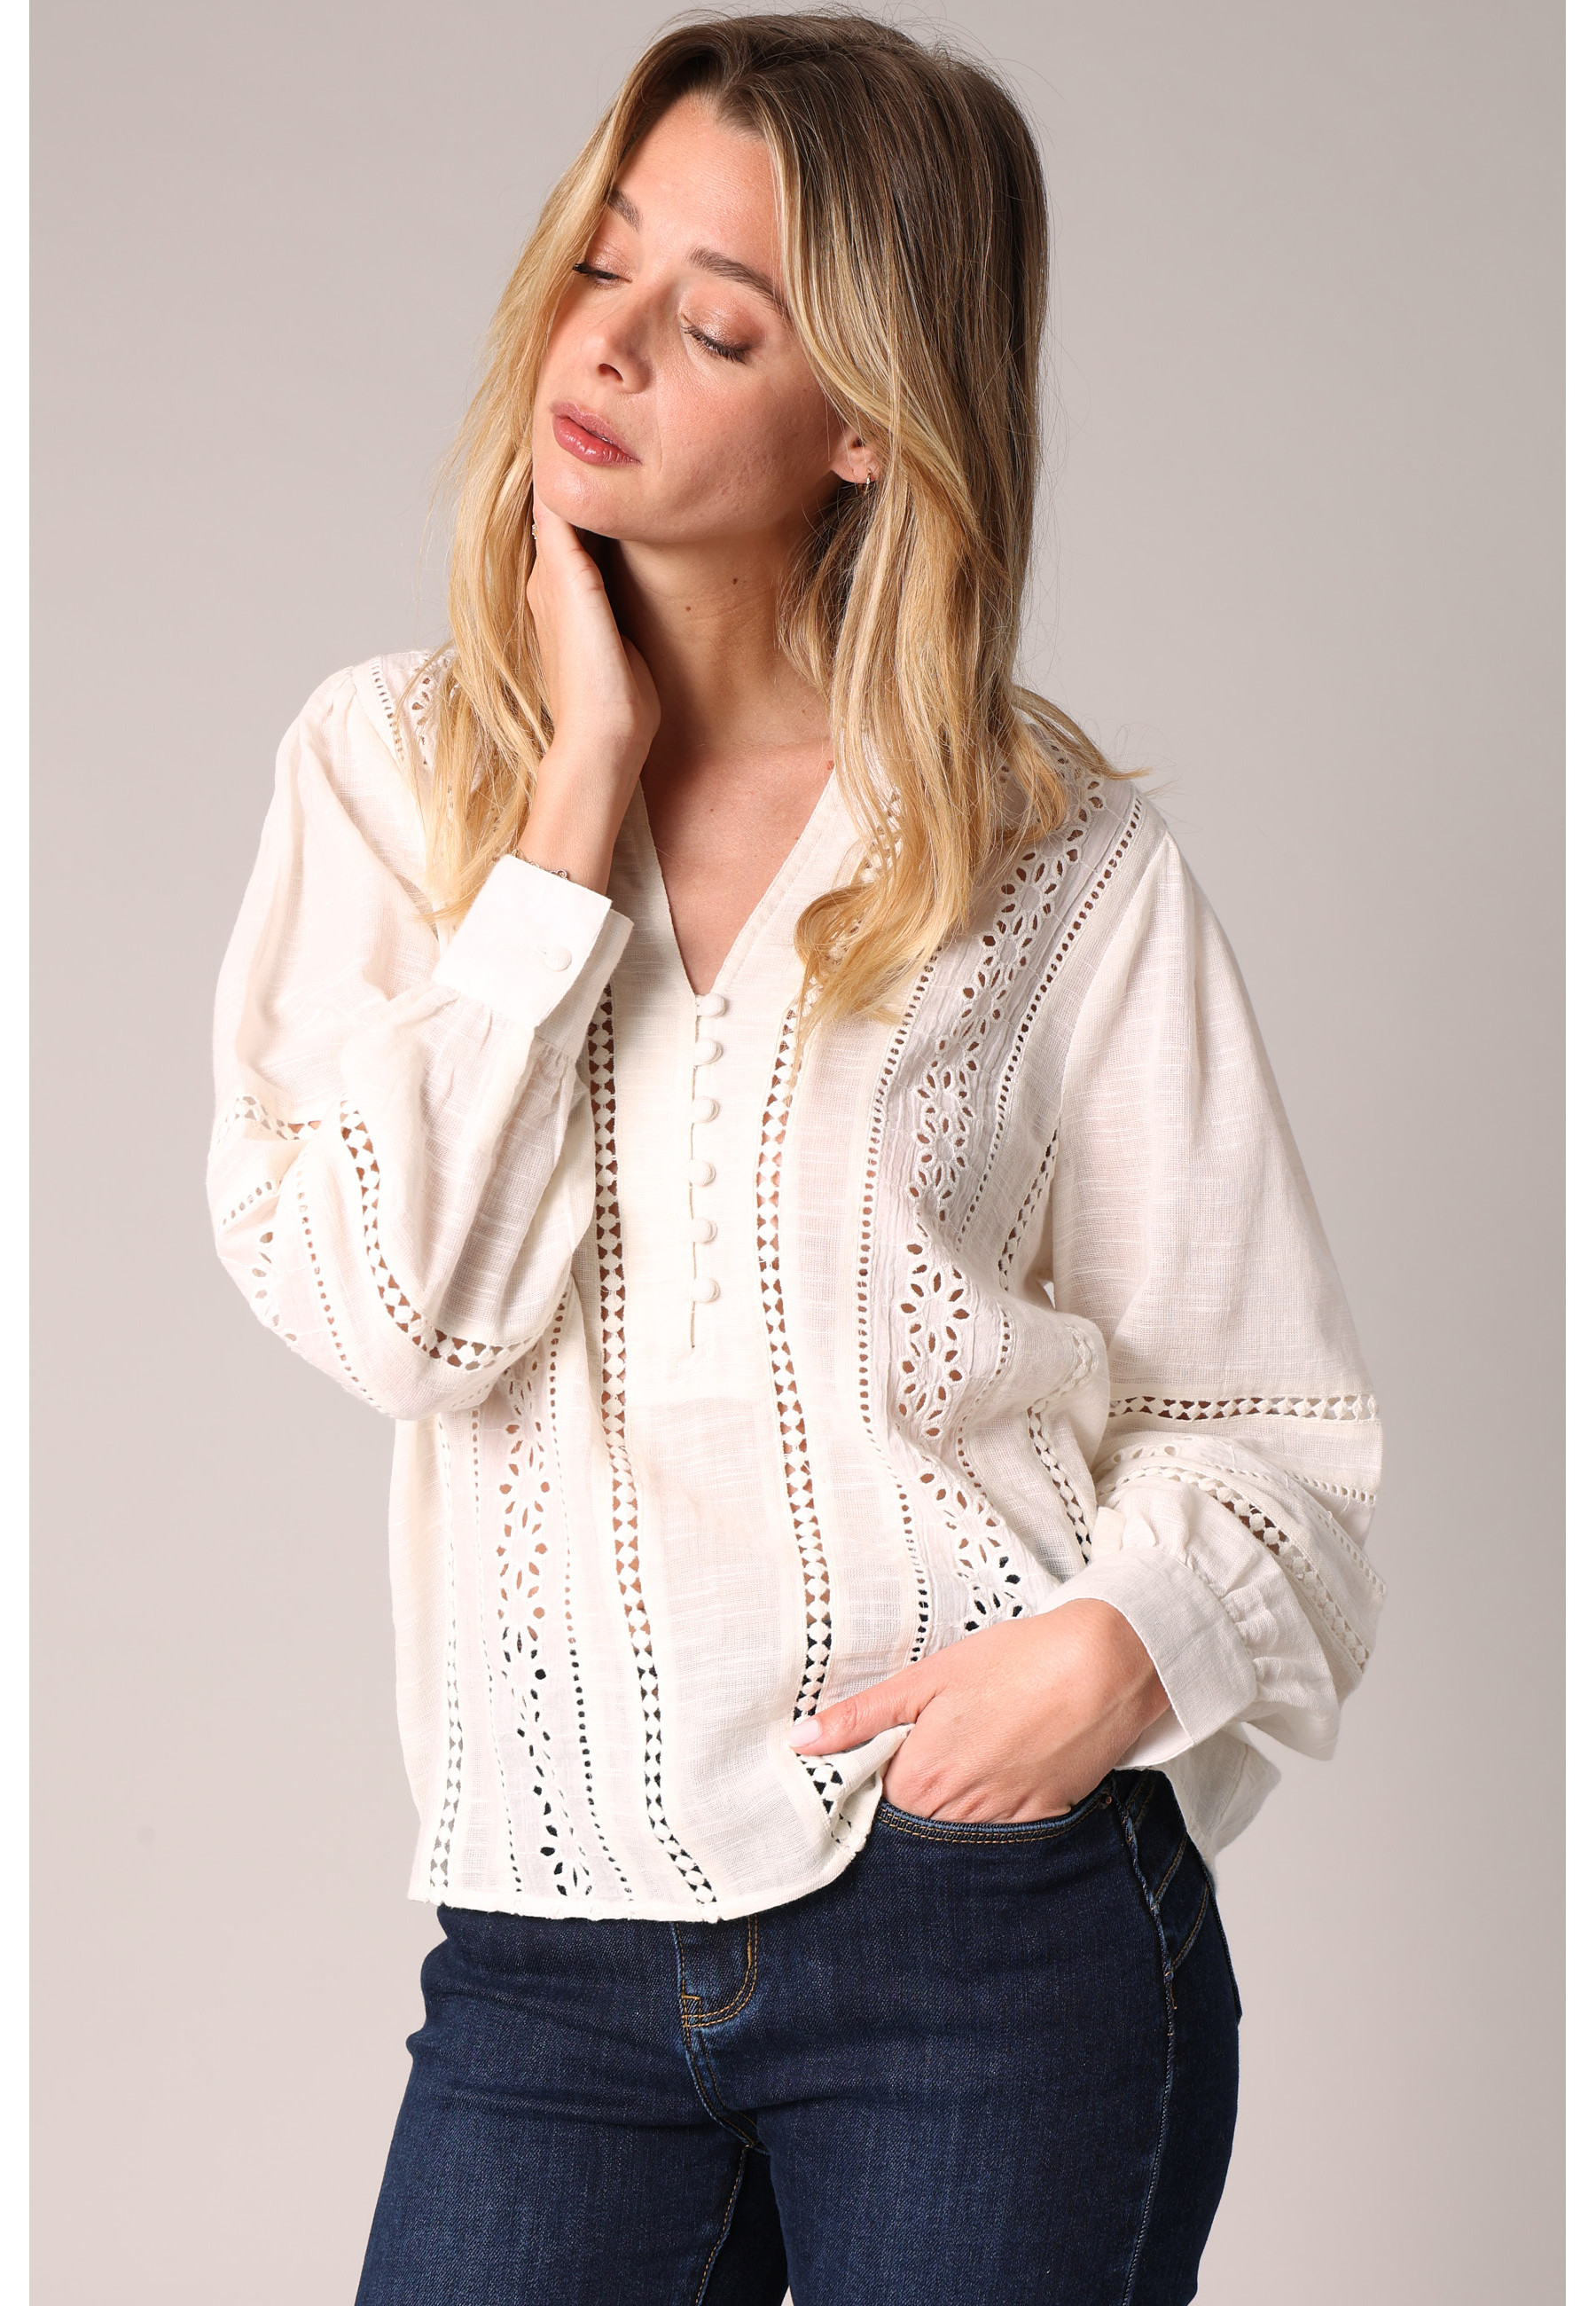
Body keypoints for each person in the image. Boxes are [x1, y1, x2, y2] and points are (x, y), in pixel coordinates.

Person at [207, 14, 1385, 2302]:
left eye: (720, 322)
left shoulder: (1050, 860)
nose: (609, 346)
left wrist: (1113, 1655)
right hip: (549, 1944)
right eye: (601, 262)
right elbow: (398, 1319)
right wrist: (571, 815)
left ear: (866, 420)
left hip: (983, 1941)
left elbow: (1274, 1435)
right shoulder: (387, 775)